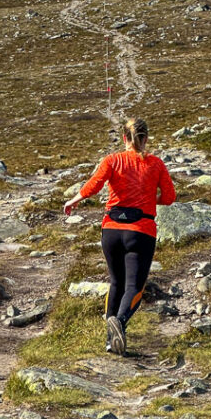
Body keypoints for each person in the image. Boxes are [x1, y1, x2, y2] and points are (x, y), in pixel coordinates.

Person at [64, 117, 176, 356]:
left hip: (111, 231)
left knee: (116, 282)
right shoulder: (155, 164)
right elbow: (169, 197)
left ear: (124, 138)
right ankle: (120, 322)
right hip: (140, 231)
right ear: (145, 138)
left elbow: (94, 185)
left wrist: (74, 200)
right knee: (134, 286)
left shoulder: (112, 160)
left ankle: (110, 339)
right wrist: (149, 199)